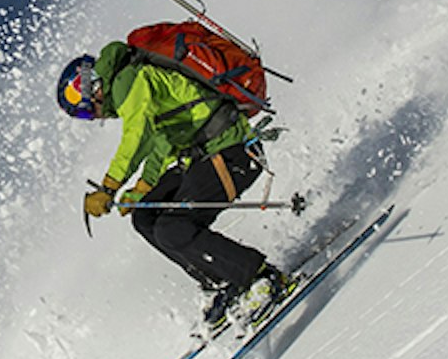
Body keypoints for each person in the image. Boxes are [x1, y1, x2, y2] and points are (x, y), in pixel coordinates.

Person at [59, 41, 292, 328]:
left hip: (232, 152)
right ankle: (220, 281)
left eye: (84, 111)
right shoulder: (133, 79)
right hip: (202, 156)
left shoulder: (127, 80)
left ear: (89, 87)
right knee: (145, 217)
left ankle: (259, 276)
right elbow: (161, 143)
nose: (93, 116)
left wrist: (109, 187)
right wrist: (143, 187)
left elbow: (138, 136)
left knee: (173, 228)